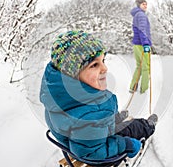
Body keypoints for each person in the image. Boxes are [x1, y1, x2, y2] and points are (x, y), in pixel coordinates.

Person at [40, 30, 157, 161]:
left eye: (103, 61)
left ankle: (118, 120)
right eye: (94, 65)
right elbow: (93, 153)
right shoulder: (91, 115)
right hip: (97, 145)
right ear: (72, 75)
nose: (105, 68)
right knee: (132, 129)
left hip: (91, 133)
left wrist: (109, 119)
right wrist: (127, 145)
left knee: (121, 124)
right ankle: (148, 126)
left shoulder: (57, 96)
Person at [129, 0, 152, 94]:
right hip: (142, 45)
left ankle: (133, 87)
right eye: (143, 4)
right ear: (139, 5)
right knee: (146, 67)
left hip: (136, 44)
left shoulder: (137, 15)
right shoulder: (141, 15)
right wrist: (146, 44)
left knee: (139, 66)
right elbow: (142, 30)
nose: (145, 6)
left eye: (146, 4)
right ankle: (144, 89)